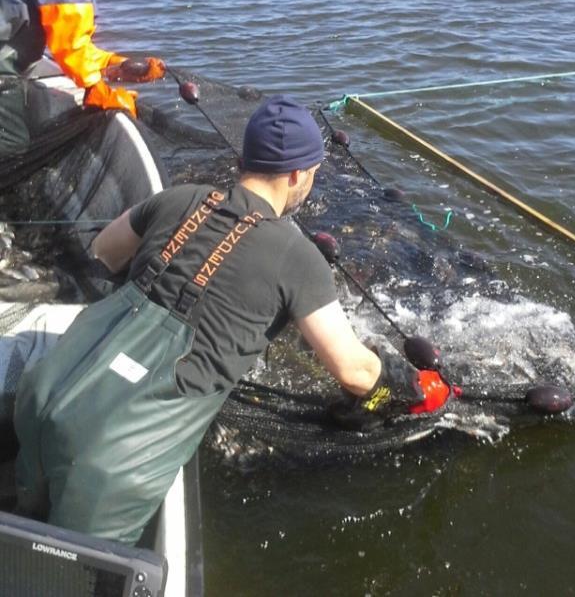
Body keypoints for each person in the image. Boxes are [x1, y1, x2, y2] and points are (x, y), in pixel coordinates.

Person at [13, 95, 449, 545]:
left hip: (49, 388)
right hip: (111, 453)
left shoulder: (179, 198)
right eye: (314, 174)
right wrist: (410, 387)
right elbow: (353, 370)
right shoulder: (296, 256)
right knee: (68, 573)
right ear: (298, 175)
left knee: (27, 526)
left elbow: (105, 250)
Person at [0, 0, 165, 154]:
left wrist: (115, 64)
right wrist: (99, 90)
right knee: (12, 146)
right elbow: (70, 51)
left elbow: (76, 42)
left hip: (10, 50)